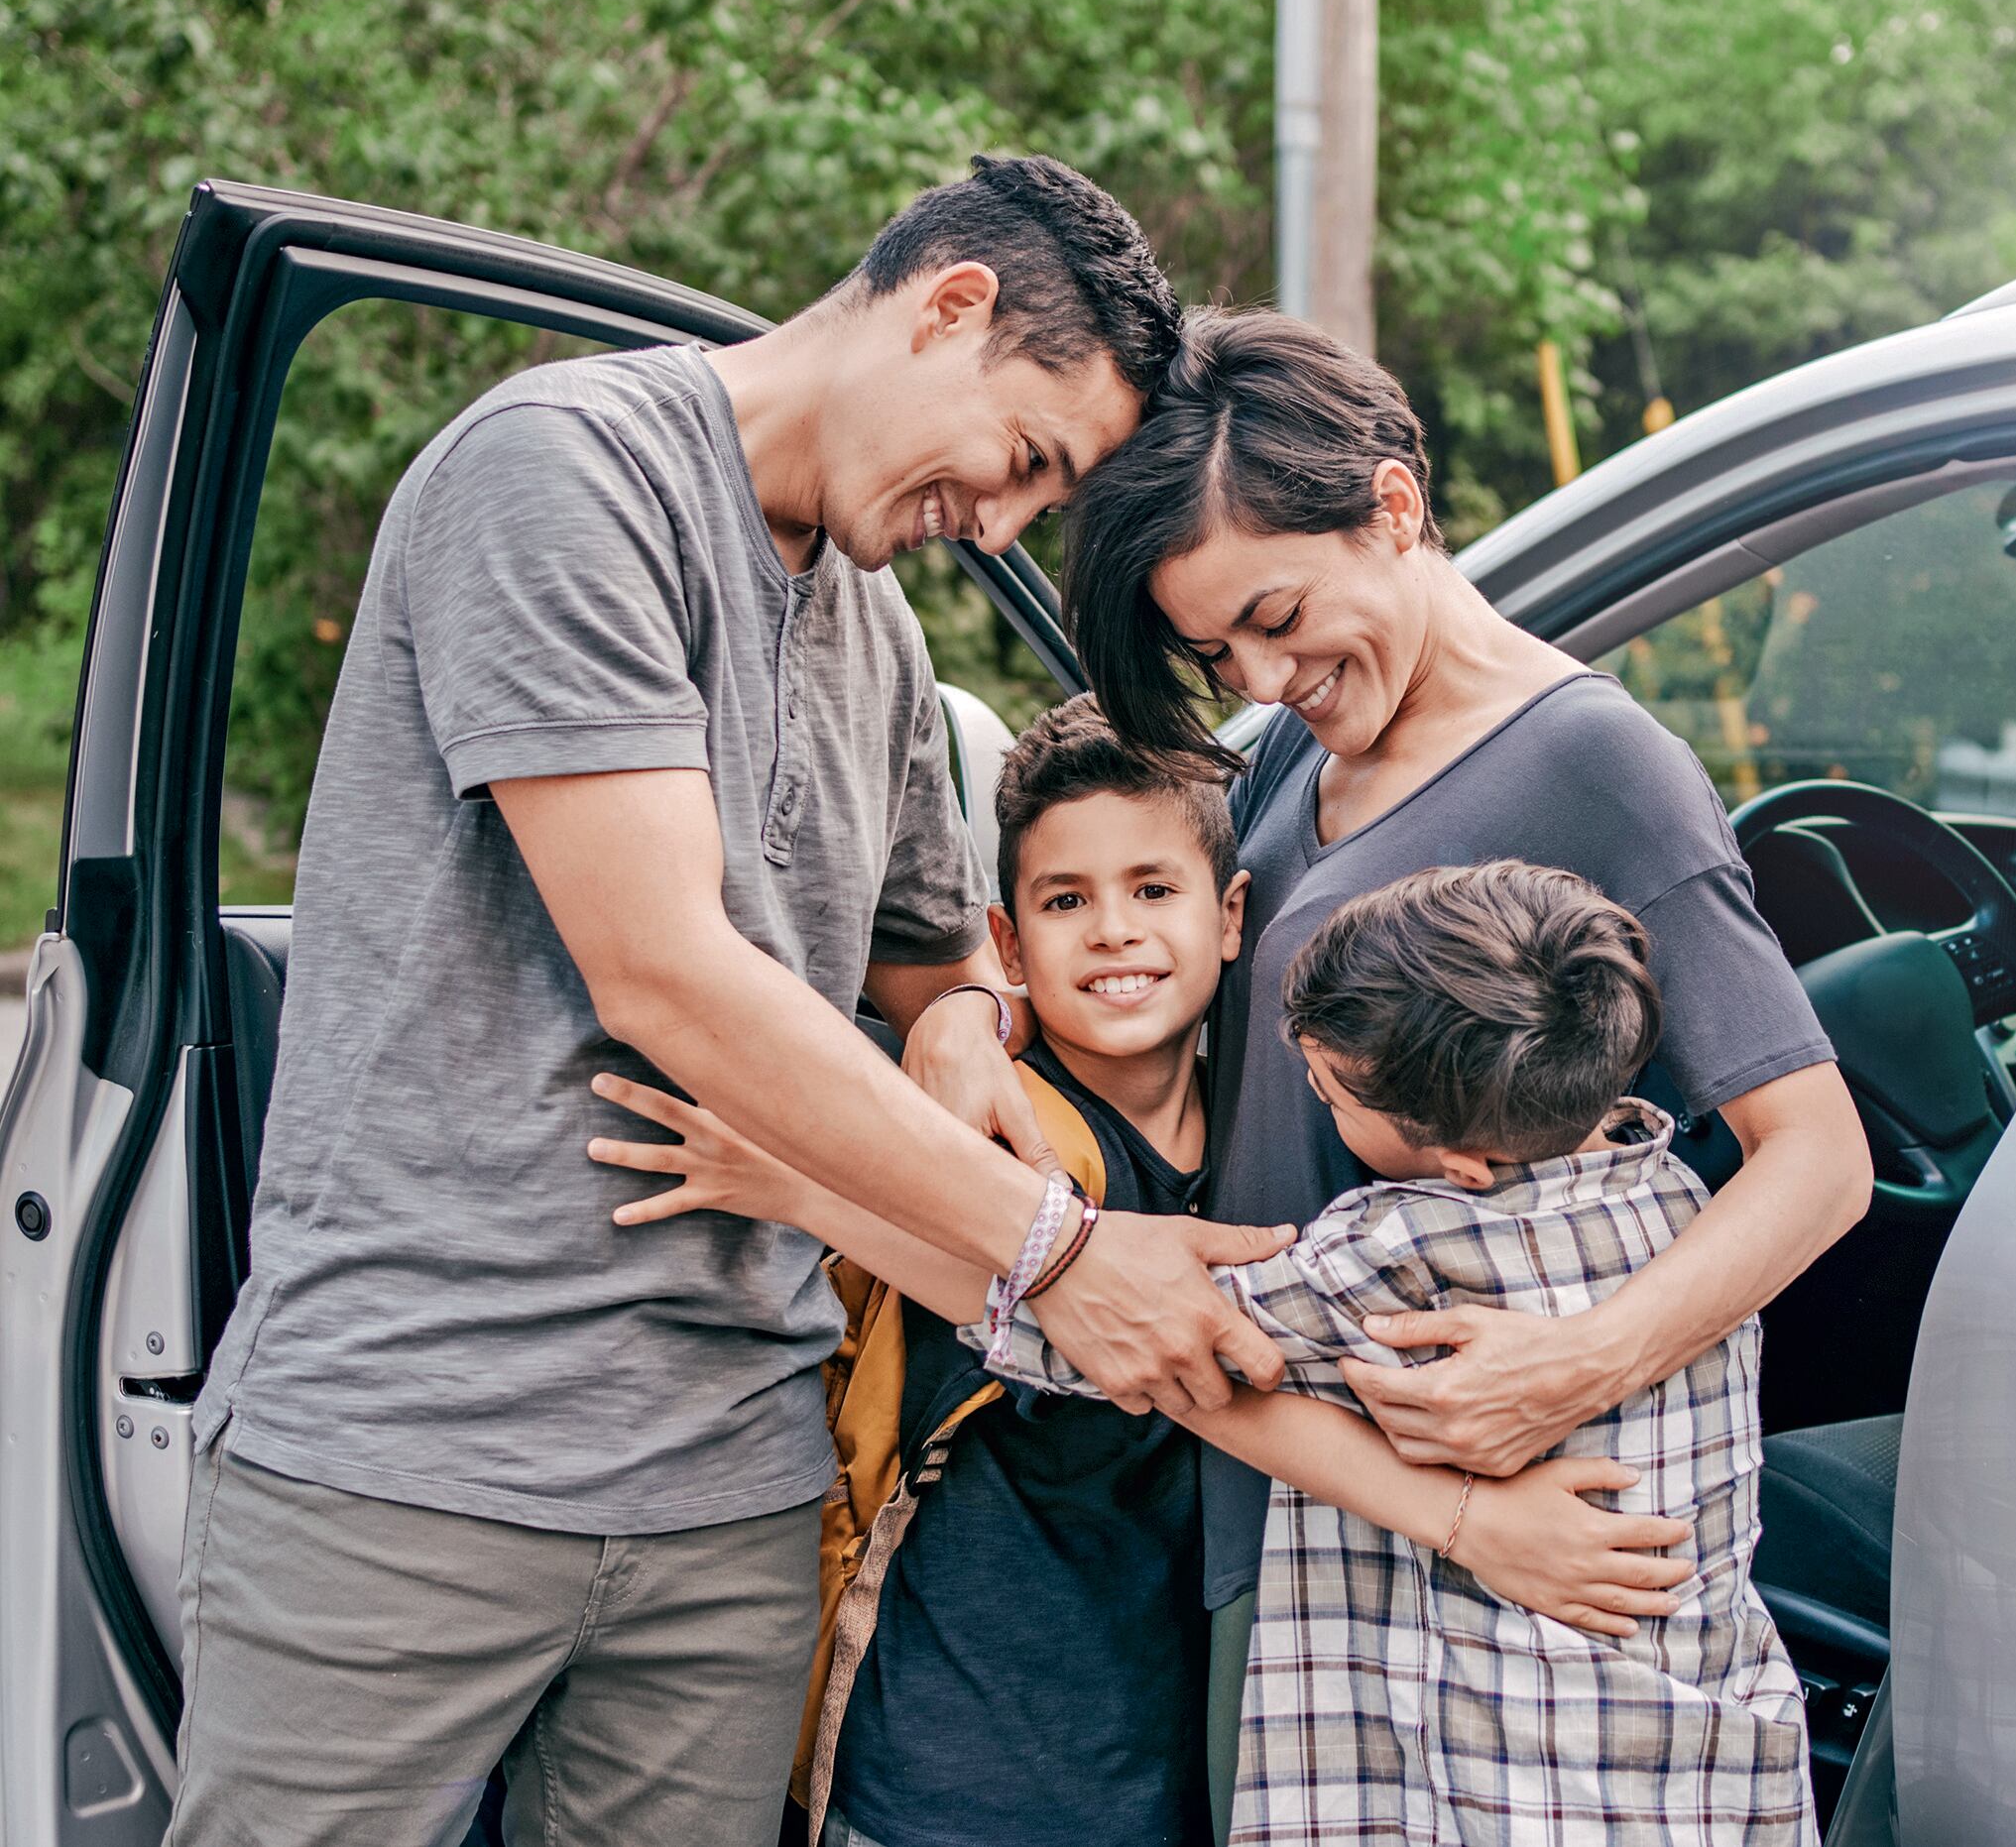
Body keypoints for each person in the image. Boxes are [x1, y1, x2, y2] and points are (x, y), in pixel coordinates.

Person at [169, 158, 1285, 1847]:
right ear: (950, 307)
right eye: (1021, 464)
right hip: (416, 1448)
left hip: (738, 1486)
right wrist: (1050, 1252)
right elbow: (667, 969)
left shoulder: (882, 635)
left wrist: (953, 1020)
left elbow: (942, 951)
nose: (993, 523)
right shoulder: (560, 474)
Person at [1025, 308, 1877, 1827]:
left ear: (1395, 507)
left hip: (1470, 1531)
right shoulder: (1301, 748)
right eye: (1220, 647)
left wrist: (1583, 1359)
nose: (1265, 671)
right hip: (1279, 1471)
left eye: (1280, 616)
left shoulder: (1595, 765)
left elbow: (1815, 1155)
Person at [592, 719, 1706, 1846]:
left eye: (1152, 888)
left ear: (1230, 917)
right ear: (1009, 943)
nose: (1115, 930)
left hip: (1180, 1739)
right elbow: (1142, 1355)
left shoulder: (1284, 1127)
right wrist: (813, 1179)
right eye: (1066, 901)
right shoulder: (993, 1145)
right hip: (962, 1755)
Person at [986, 860, 1818, 1844]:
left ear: (1464, 1166)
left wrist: (834, 1196)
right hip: (1698, 1757)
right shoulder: (1684, 1205)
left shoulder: (1407, 1248)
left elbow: (1117, 1335)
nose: (1316, 1095)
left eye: (1333, 1097)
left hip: (1507, 1785)